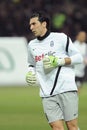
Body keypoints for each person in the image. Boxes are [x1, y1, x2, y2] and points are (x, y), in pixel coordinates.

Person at [26, 11, 83, 130]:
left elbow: (79, 58)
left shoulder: (61, 38)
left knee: (72, 126)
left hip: (66, 88)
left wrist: (59, 61)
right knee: (56, 127)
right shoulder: (32, 45)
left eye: (34, 24)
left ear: (44, 24)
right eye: (30, 25)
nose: (31, 27)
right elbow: (31, 64)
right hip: (46, 93)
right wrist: (30, 72)